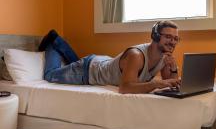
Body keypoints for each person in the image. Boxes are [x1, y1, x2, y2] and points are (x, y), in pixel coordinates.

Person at [39, 20, 181, 94]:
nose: (173, 42)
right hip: (88, 71)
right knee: (49, 75)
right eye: (168, 37)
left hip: (103, 63)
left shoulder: (164, 56)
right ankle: (53, 42)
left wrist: (173, 68)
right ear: (155, 36)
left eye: (176, 39)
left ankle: (59, 43)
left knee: (73, 65)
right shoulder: (136, 55)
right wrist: (155, 84)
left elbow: (170, 83)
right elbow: (125, 88)